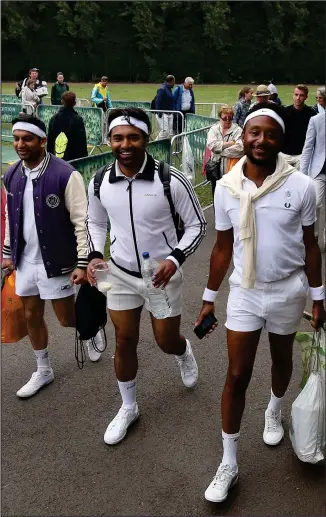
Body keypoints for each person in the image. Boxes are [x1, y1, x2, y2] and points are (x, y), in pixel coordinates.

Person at [195, 103, 325, 503]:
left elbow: (310, 246)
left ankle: (274, 408)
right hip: (246, 292)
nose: (261, 140)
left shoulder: (300, 186)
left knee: (281, 357)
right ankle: (229, 462)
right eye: (254, 132)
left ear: (280, 140)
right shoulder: (226, 187)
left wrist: (318, 297)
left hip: (288, 290)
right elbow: (221, 248)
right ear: (244, 136)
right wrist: (208, 298)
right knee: (236, 374)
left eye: (270, 134)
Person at [86, 107, 207, 445]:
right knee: (124, 339)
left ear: (146, 139)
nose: (125, 144)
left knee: (164, 340)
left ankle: (182, 352)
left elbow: (198, 224)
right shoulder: (99, 181)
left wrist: (175, 257)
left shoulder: (170, 179)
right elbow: (94, 222)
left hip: (161, 275)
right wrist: (95, 254)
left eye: (133, 137)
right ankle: (128, 407)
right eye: (118, 137)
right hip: (120, 273)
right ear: (109, 140)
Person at [1, 114, 103, 399]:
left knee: (67, 319)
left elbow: (81, 221)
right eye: (17, 138)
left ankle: (92, 329)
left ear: (43, 141)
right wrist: (8, 253)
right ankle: (43, 369)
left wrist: (83, 263)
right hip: (25, 261)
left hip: (57, 261)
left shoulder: (65, 174)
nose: (20, 144)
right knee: (31, 314)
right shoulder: (11, 174)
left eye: (27, 139)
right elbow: (11, 215)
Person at [206, 106, 243, 196]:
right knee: (216, 194)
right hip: (215, 168)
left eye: (230, 118)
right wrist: (231, 143)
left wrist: (220, 150)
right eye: (224, 118)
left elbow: (240, 149)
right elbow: (211, 145)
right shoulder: (214, 129)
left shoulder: (238, 130)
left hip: (231, 169)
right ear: (220, 118)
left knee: (231, 195)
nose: (227, 120)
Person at [300, 110, 326, 240]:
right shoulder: (316, 120)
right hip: (319, 171)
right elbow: (308, 147)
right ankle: (313, 235)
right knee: (316, 204)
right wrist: (302, 175)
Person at [47, 91, 88, 161]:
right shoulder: (78, 119)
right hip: (74, 159)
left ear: (61, 101)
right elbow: (81, 142)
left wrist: (49, 157)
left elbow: (50, 140)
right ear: (74, 103)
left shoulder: (54, 118)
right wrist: (84, 158)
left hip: (56, 158)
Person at [282, 85, 315, 168]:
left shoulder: (312, 115)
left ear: (306, 97)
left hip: (302, 155)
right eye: (296, 94)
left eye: (301, 95)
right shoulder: (283, 112)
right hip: (284, 154)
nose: (298, 98)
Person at [155, 75, 175, 139]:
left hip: (169, 113)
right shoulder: (162, 89)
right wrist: (159, 113)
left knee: (169, 132)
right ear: (172, 81)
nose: (174, 83)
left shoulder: (168, 89)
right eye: (174, 81)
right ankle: (154, 145)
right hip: (163, 114)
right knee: (164, 131)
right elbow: (157, 101)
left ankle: (162, 146)